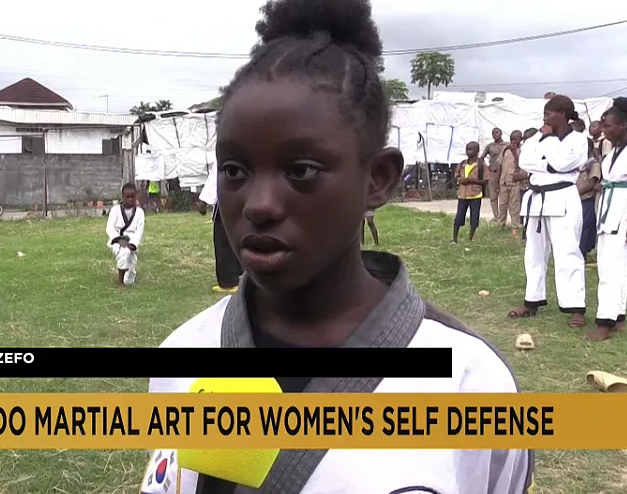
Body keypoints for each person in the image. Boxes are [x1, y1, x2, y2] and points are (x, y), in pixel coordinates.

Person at [147, 0, 533, 492]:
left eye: (301, 170)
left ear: (379, 178)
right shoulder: (182, 355)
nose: (259, 205)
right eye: (235, 171)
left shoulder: (470, 384)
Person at [508, 95, 588, 329]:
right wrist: (544, 147)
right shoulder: (537, 137)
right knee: (533, 254)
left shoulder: (579, 139)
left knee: (568, 254)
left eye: (549, 113)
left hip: (563, 197)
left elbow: (562, 165)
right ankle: (532, 301)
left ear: (562, 114)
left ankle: (576, 308)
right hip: (536, 199)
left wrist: (544, 155)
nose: (545, 117)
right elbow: (524, 161)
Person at [592, 98, 627, 341]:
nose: (604, 129)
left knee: (609, 266)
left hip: (623, 208)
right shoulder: (612, 151)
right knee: (615, 264)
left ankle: (605, 320)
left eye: (609, 125)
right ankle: (619, 315)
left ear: (624, 125)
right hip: (609, 207)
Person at [199, 162, 243, 294]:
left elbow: (215, 178)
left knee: (223, 241)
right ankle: (241, 276)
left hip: (226, 204)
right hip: (242, 200)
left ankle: (229, 281)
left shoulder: (226, 152)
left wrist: (204, 200)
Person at [106, 183, 145, 288]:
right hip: (118, 239)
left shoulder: (139, 212)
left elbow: (139, 230)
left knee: (130, 279)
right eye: (128, 197)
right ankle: (120, 282)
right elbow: (109, 227)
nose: (130, 199)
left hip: (132, 240)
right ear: (123, 197)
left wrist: (132, 243)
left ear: (136, 196)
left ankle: (127, 277)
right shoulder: (115, 210)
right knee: (124, 252)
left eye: (133, 197)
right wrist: (119, 240)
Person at [453, 142, 490, 243]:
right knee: (459, 217)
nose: (468, 152)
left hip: (475, 195)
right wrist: (460, 180)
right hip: (462, 195)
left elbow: (485, 180)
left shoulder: (481, 165)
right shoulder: (462, 164)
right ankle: (454, 238)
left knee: (474, 218)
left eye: (471, 149)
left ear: (477, 151)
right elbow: (456, 176)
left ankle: (470, 238)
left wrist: (471, 180)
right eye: (467, 149)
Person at [575, 139, 601, 264]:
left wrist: (574, 193)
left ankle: (582, 253)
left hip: (587, 199)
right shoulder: (578, 163)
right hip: (577, 200)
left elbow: (592, 183)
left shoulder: (593, 164)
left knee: (585, 228)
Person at [497, 130, 524, 235]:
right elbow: (500, 164)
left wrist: (514, 151)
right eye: (512, 139)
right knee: (502, 204)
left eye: (516, 139)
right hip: (503, 182)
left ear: (520, 139)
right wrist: (497, 181)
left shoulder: (522, 150)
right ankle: (500, 225)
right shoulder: (505, 149)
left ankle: (515, 227)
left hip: (515, 182)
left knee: (515, 205)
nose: (513, 142)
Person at [481, 127, 507, 221]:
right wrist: (486, 168)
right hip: (493, 171)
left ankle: (503, 216)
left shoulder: (506, 145)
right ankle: (496, 216)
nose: (495, 134)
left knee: (504, 195)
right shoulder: (490, 146)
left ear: (501, 133)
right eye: (493, 133)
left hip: (504, 172)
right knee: (493, 195)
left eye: (496, 132)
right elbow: (482, 157)